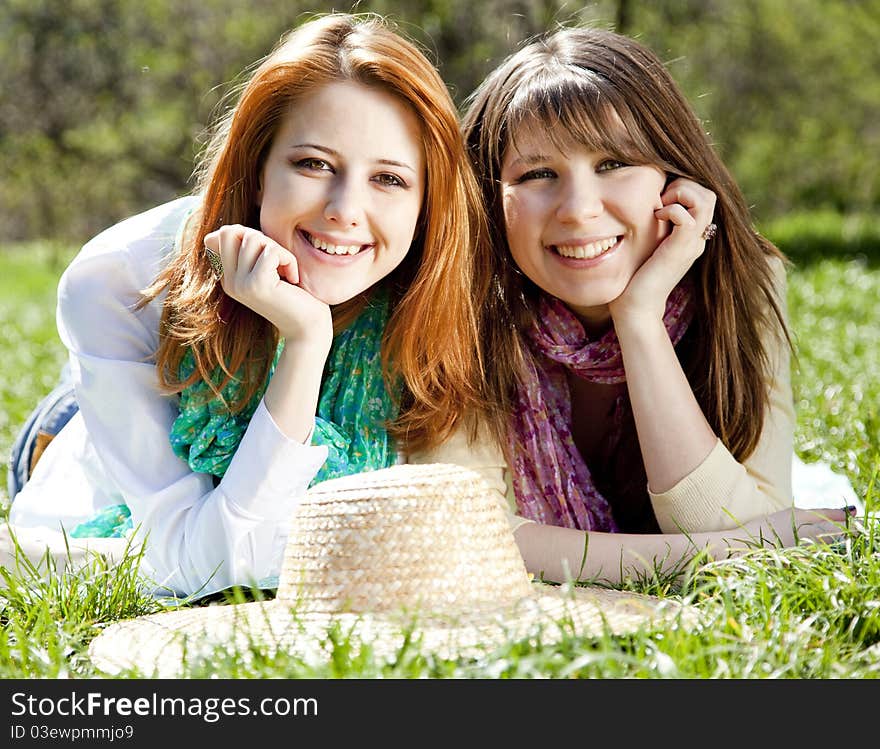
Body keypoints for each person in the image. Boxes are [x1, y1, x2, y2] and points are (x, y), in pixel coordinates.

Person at [6, 12, 495, 597]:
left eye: (389, 178)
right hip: (95, 445)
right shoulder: (118, 281)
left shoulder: (441, 290)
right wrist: (307, 341)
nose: (345, 208)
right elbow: (212, 565)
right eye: (313, 164)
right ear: (258, 169)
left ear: (426, 201)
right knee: (71, 425)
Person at [460, 26, 854, 584]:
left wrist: (639, 319)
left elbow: (744, 516)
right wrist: (701, 555)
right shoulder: (464, 308)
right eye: (538, 173)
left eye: (613, 163)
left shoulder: (740, 282)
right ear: (488, 198)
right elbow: (468, 534)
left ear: (673, 175)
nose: (578, 209)